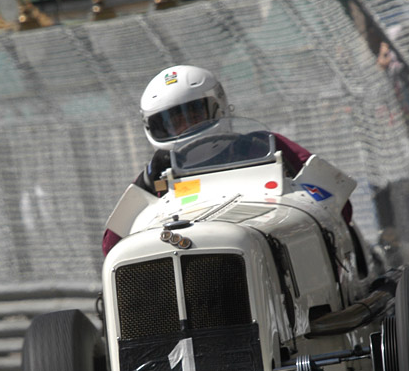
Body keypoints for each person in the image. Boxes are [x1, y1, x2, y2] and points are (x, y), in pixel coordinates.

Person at [103, 64, 342, 255]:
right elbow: (112, 245)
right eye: (174, 122)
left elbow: (337, 202)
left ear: (219, 106)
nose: (185, 127)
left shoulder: (263, 145)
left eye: (194, 115)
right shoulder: (155, 173)